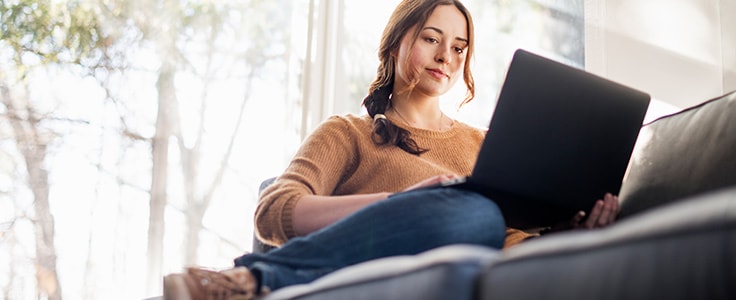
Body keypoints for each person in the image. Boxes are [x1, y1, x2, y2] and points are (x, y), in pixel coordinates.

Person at [163, 0, 620, 299]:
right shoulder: (347, 133)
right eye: (431, 38)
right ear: (395, 42)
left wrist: (569, 234)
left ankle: (254, 280)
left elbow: (509, 244)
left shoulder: (485, 147)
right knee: (474, 213)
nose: (447, 56)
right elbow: (274, 209)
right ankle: (249, 281)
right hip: (380, 269)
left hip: (466, 273)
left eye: (459, 48)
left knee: (482, 219)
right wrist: (402, 202)